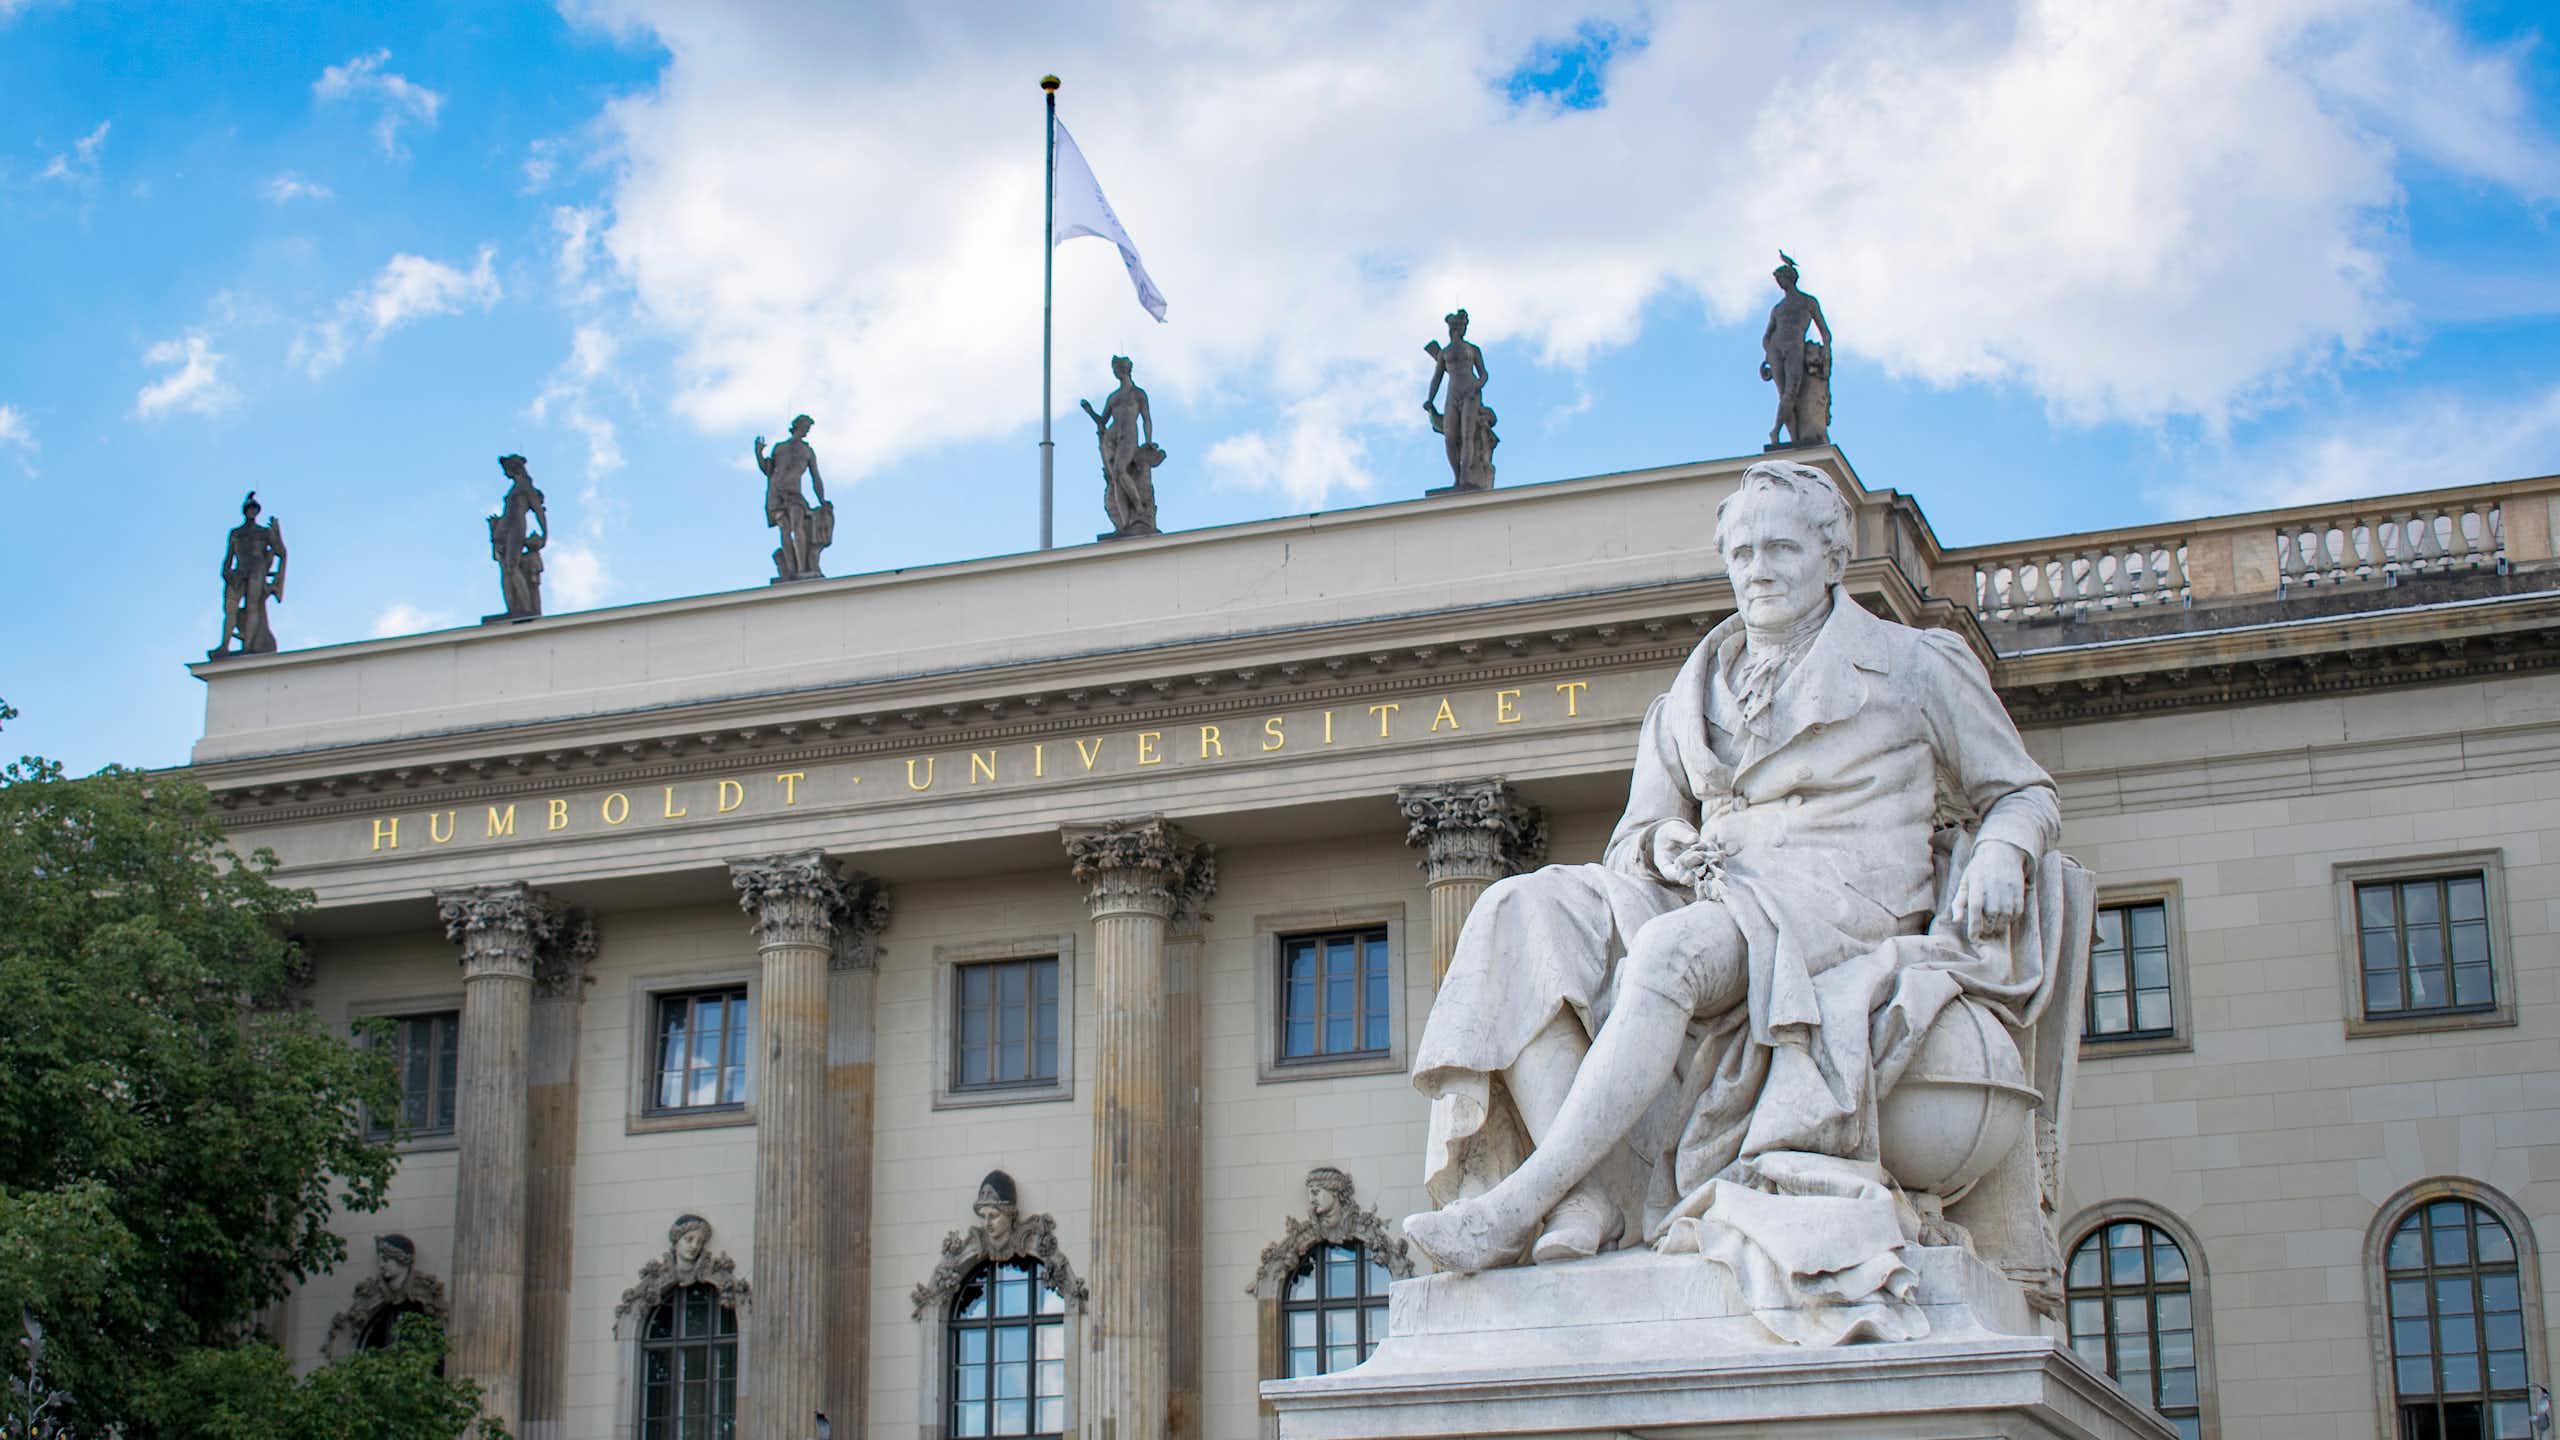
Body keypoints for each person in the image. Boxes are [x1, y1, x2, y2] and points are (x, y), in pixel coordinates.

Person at [1404, 459, 2060, 1340]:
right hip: (1714, 890)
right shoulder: (1689, 694)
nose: (1759, 568)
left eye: (1782, 547)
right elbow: (1635, 836)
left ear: (1833, 558)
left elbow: (2021, 792)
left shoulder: (1912, 665)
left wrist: (2004, 853)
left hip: (1838, 904)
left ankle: (1523, 1201)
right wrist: (1661, 842)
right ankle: (1590, 1195)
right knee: (1519, 913)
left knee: (1670, 957)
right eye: (1743, 551)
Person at [1081, 357, 1162, 537]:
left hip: (1129, 437)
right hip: (1113, 438)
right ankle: (1124, 524)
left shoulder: (1138, 394)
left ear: (1124, 369)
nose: (1114, 371)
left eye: (1116, 368)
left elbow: (1146, 418)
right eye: (1113, 368)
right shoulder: (1113, 397)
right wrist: (1089, 411)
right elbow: (1102, 421)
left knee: (1119, 470)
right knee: (1116, 479)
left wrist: (1149, 440)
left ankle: (1139, 508)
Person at [1760, 254, 1832, 448]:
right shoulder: (1778, 308)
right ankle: (1792, 439)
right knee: (1783, 392)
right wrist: (1767, 354)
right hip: (1776, 349)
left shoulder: (1807, 302)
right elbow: (1767, 336)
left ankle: (1775, 431)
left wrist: (1826, 350)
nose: (1779, 284)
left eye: (1780, 280)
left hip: (1794, 346)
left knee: (1790, 392)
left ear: (1788, 279)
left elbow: (1825, 331)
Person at [1423, 309, 1496, 489]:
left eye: (1463, 326)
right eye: (1459, 326)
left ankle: (1464, 478)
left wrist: (1477, 385)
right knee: (1449, 436)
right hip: (1452, 394)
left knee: (1467, 434)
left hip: (1470, 393)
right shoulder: (1444, 353)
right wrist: (1430, 399)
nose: (1461, 329)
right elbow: (1437, 378)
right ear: (1453, 328)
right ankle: (1457, 477)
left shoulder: (1472, 349)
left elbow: (1484, 374)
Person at [754, 415, 831, 581]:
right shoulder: (780, 447)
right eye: (805, 426)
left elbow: (815, 478)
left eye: (808, 428)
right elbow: (768, 469)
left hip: (794, 494)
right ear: (797, 426)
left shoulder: (807, 451)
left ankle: (803, 568)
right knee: (785, 530)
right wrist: (758, 453)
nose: (807, 430)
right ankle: (790, 570)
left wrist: (822, 499)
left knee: (798, 527)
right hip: (776, 493)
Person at [211, 491, 288, 658]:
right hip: (239, 572)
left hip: (256, 571)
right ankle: (224, 646)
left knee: (253, 606)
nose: (252, 512)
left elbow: (281, 552)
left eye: (254, 509)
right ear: (245, 511)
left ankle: (248, 646)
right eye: (249, 509)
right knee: (230, 609)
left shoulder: (264, 532)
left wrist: (277, 533)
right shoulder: (236, 533)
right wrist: (227, 573)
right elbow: (228, 558)